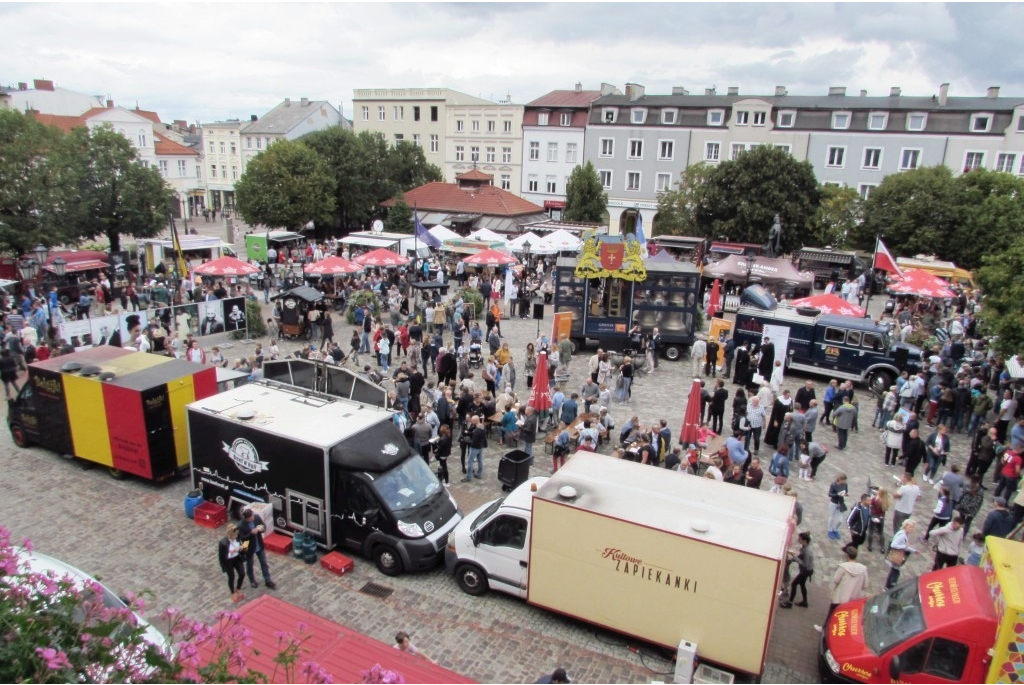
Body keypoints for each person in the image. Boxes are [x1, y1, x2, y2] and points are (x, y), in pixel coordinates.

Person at [238, 508, 277, 590]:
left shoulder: (256, 517)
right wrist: (251, 533)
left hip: (258, 544)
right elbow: (242, 538)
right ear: (247, 518)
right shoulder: (241, 525)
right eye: (251, 517)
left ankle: (267, 580)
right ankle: (252, 580)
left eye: (253, 516)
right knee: (250, 565)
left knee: (264, 563)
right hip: (248, 546)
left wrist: (260, 529)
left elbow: (263, 526)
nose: (253, 517)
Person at [827, 545, 868, 619]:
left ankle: (824, 628)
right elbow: (865, 585)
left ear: (847, 555)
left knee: (832, 615)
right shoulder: (863, 569)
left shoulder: (843, 567)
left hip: (840, 598)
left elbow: (836, 580)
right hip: (853, 599)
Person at [779, 532, 813, 608]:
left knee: (794, 584)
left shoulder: (807, 551)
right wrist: (793, 559)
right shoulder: (805, 547)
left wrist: (794, 557)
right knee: (802, 585)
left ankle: (789, 603)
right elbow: (801, 556)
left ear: (804, 540)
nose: (798, 540)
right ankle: (805, 602)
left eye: (799, 539)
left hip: (805, 571)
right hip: (807, 570)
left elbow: (805, 564)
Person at [217, 523, 247, 603]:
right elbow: (221, 556)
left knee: (242, 573)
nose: (236, 537)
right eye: (234, 536)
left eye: (236, 535)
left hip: (237, 558)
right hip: (228, 561)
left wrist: (241, 548)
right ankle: (232, 592)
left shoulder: (238, 538)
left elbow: (246, 543)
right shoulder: (223, 543)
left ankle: (238, 588)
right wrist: (231, 552)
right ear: (230, 535)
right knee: (231, 577)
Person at [885, 519, 917, 589]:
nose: (912, 529)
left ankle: (887, 587)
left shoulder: (904, 534)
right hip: (896, 556)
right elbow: (893, 545)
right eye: (910, 527)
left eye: (913, 527)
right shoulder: (902, 535)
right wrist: (904, 546)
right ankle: (890, 588)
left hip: (897, 555)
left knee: (894, 571)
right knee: (895, 572)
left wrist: (913, 550)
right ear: (905, 526)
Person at [827, 473, 849, 540]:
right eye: (843, 480)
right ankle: (830, 530)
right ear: (840, 479)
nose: (844, 482)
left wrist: (845, 494)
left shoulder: (845, 485)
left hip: (841, 503)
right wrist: (837, 494)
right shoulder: (833, 485)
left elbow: (846, 491)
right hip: (834, 502)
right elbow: (830, 494)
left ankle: (835, 529)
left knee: (840, 520)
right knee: (832, 517)